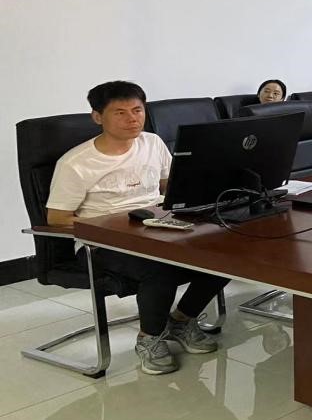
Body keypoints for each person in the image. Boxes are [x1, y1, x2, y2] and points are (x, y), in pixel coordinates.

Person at [46, 81, 229, 375]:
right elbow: (57, 218)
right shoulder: (76, 163)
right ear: (97, 117)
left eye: (137, 110)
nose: (132, 119)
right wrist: (110, 225)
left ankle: (181, 321)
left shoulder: (152, 143)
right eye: (120, 112)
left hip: (156, 226)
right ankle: (149, 338)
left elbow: (169, 185)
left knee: (227, 253)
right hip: (102, 243)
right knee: (159, 267)